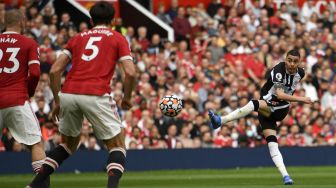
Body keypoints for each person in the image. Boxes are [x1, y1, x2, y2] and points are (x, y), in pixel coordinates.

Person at [28, 2, 136, 188]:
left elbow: (54, 70)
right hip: (96, 93)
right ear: (112, 21)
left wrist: (58, 100)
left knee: (67, 145)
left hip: (69, 93)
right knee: (117, 145)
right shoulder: (118, 38)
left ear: (91, 20)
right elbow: (131, 73)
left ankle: (34, 185)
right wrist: (126, 97)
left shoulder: (77, 38)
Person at [208, 49, 313, 185]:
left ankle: (221, 120)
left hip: (280, 109)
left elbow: (281, 97)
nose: (292, 64)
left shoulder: (301, 73)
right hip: (268, 109)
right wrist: (302, 99)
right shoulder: (278, 70)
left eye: (295, 61)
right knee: (272, 144)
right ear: (285, 59)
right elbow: (280, 94)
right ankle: (286, 176)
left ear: (299, 63)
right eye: (289, 60)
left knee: (254, 103)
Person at [0, 9, 49, 187]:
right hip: (17, 99)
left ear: (5, 22)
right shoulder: (28, 43)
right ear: (21, 22)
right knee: (36, 144)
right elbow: (35, 73)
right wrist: (28, 91)